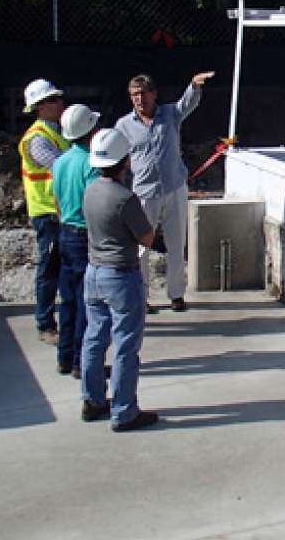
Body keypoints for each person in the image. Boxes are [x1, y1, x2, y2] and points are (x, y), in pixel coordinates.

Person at [114, 71, 215, 313]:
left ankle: (176, 295)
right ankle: (142, 296)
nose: (139, 99)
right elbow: (117, 155)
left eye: (142, 94)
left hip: (174, 188)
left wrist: (194, 85)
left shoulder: (170, 114)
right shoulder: (124, 125)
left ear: (154, 94)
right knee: (141, 249)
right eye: (134, 95)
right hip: (143, 193)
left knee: (176, 242)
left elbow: (187, 104)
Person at [80, 128, 160, 432]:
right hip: (121, 276)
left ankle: (93, 400)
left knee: (94, 338)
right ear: (124, 160)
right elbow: (147, 237)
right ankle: (124, 411)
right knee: (126, 345)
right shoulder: (125, 199)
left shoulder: (90, 191)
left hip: (94, 273)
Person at [50, 104, 101, 378]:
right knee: (87, 302)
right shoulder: (91, 164)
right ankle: (82, 361)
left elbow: (57, 202)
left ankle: (64, 357)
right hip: (85, 237)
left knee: (68, 299)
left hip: (65, 233)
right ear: (90, 130)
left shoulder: (59, 162)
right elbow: (95, 205)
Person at [18, 78, 68, 345]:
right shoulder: (37, 138)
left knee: (65, 268)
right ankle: (45, 324)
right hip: (47, 212)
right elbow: (62, 167)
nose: (59, 103)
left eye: (58, 98)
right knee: (49, 269)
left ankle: (63, 320)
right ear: (39, 106)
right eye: (53, 100)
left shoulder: (57, 133)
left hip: (62, 212)